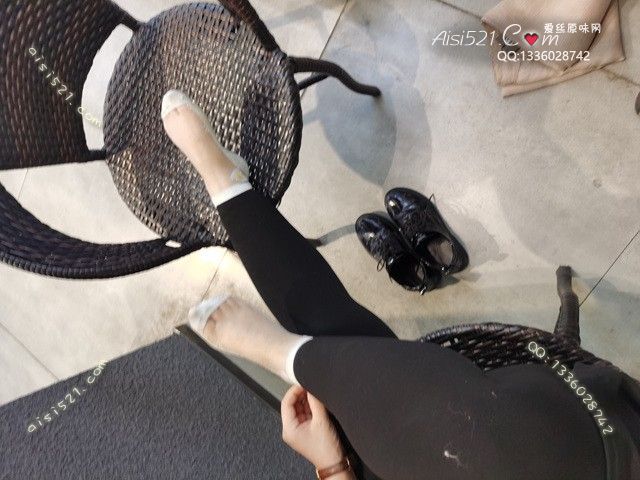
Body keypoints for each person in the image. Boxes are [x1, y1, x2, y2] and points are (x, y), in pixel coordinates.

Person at [161, 90, 640, 480]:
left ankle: (231, 189)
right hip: (592, 438)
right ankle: (290, 350)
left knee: (373, 391)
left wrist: (332, 469)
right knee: (487, 446)